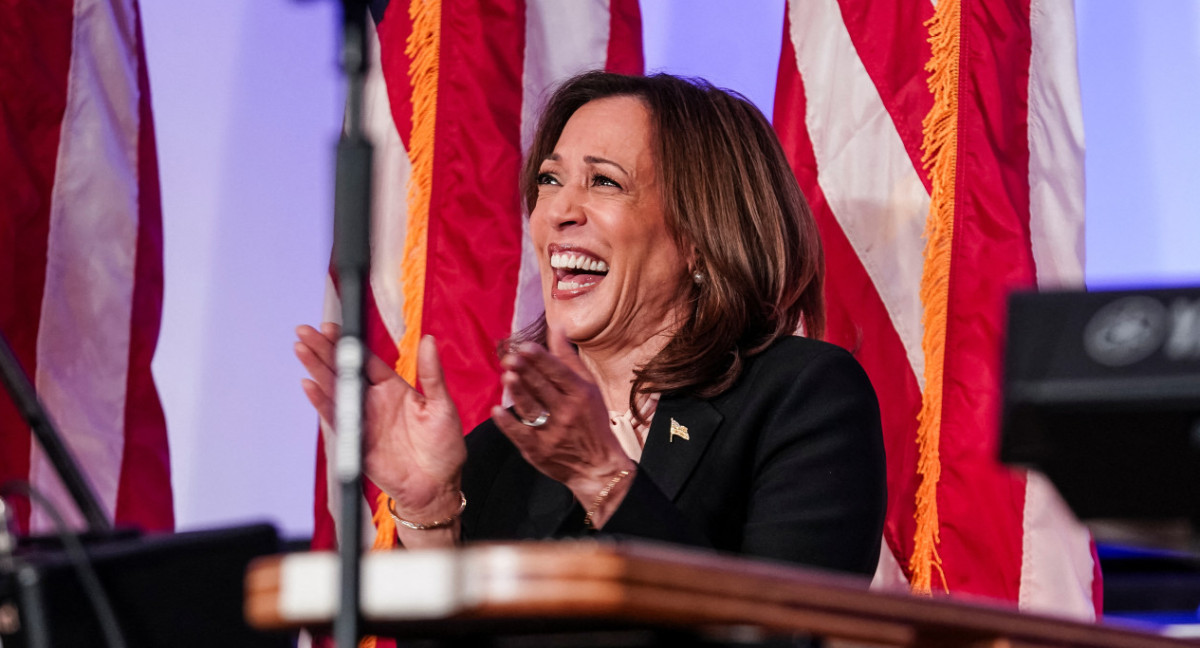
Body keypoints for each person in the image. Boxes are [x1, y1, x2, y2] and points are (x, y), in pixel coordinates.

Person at [295, 71, 886, 576]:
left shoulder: (800, 398)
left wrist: (603, 477)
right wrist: (430, 511)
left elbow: (785, 634)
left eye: (604, 181)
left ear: (703, 237)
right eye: (550, 180)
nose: (557, 212)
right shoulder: (505, 450)